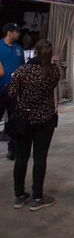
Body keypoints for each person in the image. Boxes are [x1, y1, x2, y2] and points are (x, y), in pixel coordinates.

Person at [8, 39, 59, 211]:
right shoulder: (53, 71)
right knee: (40, 158)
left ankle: (19, 195)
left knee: (21, 157)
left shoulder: (22, 71)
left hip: (24, 118)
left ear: (35, 52)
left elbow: (11, 92)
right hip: (45, 119)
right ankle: (37, 197)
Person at [0, 23, 25, 160]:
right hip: (0, 90)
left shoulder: (19, 49)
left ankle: (13, 149)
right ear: (10, 32)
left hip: (15, 91)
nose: (19, 33)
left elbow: (23, 67)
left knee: (14, 120)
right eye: (17, 31)